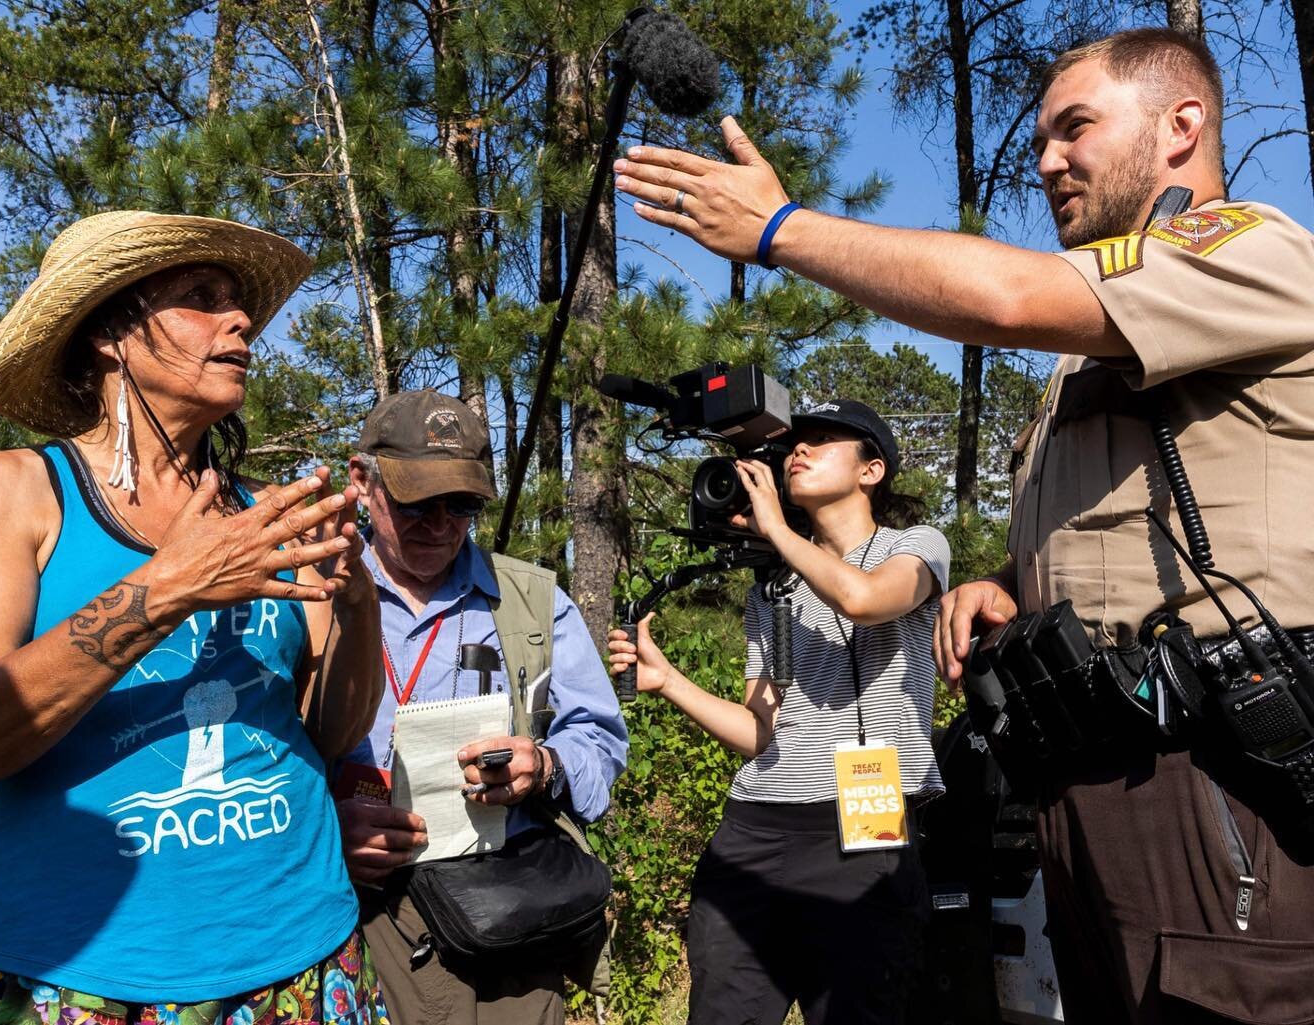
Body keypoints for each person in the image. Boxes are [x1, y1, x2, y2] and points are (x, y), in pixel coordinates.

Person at [612, 24, 1314, 1025]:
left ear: (1181, 125)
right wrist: (1015, 580)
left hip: (1214, 777)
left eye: (1074, 127)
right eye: (1039, 138)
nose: (1044, 161)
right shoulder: (1099, 348)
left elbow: (1008, 293)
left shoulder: (1245, 248)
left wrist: (783, 228)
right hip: (1097, 776)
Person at [0, 211, 389, 1023]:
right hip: (86, 972)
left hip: (304, 952)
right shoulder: (12, 491)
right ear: (111, 335)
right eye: (200, 297)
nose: (241, 319)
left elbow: (333, 728)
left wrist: (356, 597)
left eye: (239, 301)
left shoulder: (258, 519)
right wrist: (168, 587)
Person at [607, 402, 949, 1025]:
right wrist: (668, 681)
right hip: (754, 830)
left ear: (872, 470)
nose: (799, 451)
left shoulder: (916, 548)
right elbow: (760, 731)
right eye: (795, 443)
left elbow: (865, 600)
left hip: (862, 832)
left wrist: (777, 533)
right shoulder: (775, 585)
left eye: (822, 441)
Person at [332, 389, 628, 1025]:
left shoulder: (531, 600)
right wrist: (325, 826)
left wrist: (543, 766)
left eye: (461, 505)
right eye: (416, 504)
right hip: (353, 910)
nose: (439, 525)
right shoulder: (312, 593)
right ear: (362, 481)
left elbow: (601, 742)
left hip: (506, 912)